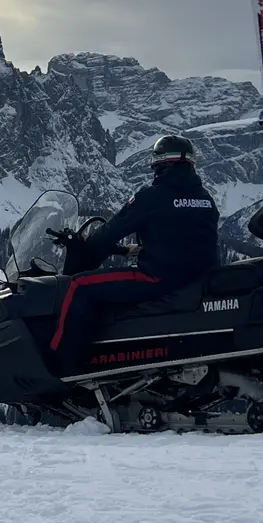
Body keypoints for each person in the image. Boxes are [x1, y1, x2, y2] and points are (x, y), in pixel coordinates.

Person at [48, 134, 220, 374]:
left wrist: (86, 246)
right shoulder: (205, 199)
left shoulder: (151, 197)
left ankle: (62, 367)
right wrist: (129, 250)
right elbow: (182, 238)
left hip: (160, 278)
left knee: (78, 286)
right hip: (201, 278)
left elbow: (110, 232)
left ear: (161, 165)